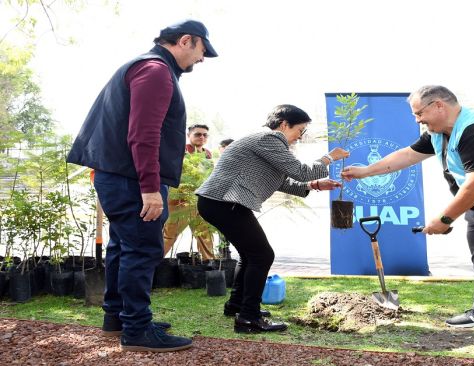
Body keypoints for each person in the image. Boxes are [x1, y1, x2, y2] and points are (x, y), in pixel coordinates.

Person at [341, 85, 474, 347]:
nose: (417, 119)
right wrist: (367, 171)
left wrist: (444, 220)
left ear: (439, 106)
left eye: (419, 113)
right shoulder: (439, 133)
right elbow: (408, 155)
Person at [66, 19, 218, 352]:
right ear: (186, 41)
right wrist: (150, 188)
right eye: (202, 50)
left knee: (123, 246)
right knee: (142, 248)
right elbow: (143, 134)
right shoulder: (155, 71)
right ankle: (136, 329)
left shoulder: (146, 67)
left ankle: (118, 318)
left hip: (120, 175)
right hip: (133, 180)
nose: (202, 59)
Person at [196, 104, 349, 333]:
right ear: (284, 124)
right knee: (262, 255)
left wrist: (314, 185)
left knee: (250, 255)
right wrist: (329, 158)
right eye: (300, 130)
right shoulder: (270, 138)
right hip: (225, 202)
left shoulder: (266, 142)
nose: (300, 136)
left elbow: (282, 181)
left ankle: (237, 306)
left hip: (219, 202)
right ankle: (248, 318)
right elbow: (301, 171)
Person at [162, 124, 215, 260]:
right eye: (198, 134)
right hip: (180, 200)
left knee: (206, 236)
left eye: (205, 135)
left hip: (202, 201)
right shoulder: (180, 151)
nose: (202, 137)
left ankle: (210, 269)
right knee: (169, 236)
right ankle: (150, 267)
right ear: (188, 135)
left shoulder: (208, 154)